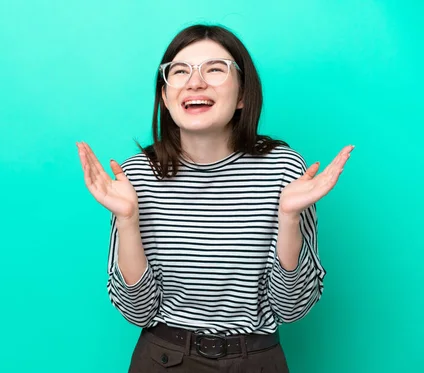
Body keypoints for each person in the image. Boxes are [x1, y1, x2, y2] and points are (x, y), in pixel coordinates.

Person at [76, 23, 352, 373]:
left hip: (256, 361)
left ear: (241, 95)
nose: (195, 82)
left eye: (215, 69)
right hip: (162, 359)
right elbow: (138, 312)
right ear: (165, 96)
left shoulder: (283, 169)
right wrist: (129, 220)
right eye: (179, 71)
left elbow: (292, 309)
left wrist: (289, 218)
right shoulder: (136, 175)